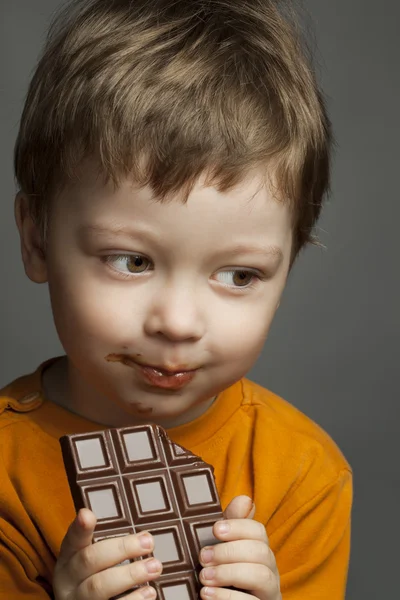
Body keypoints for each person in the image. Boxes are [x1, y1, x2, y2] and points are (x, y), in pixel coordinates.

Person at [0, 0, 352, 598]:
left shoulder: (304, 475)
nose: (179, 324)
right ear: (37, 240)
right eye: (131, 261)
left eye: (239, 275)